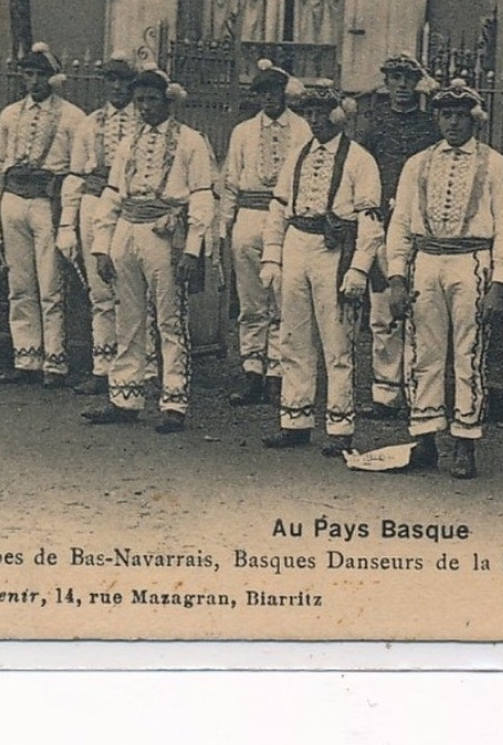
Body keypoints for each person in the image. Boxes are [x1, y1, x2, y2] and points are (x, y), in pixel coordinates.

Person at [384, 79, 503, 479]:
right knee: (422, 352)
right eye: (446, 115)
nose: (454, 124)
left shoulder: (496, 164)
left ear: (474, 119)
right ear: (437, 118)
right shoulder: (418, 163)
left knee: (469, 354)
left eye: (461, 116)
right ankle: (424, 437)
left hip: (471, 263)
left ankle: (465, 442)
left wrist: (499, 281)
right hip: (426, 261)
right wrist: (396, 277)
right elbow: (401, 222)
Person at [87, 61, 216, 433]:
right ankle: (124, 397)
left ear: (167, 101)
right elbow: (112, 194)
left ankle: (174, 401)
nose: (144, 107)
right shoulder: (129, 142)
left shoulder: (191, 141)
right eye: (139, 100)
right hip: (127, 230)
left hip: (165, 234)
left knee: (169, 319)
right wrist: (102, 246)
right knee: (127, 316)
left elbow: (202, 197)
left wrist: (193, 249)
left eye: (151, 100)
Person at [259, 80, 383, 457]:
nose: (314, 121)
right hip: (298, 243)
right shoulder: (297, 155)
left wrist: (359, 268)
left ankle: (340, 426)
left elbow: (370, 220)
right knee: (293, 336)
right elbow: (279, 209)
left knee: (337, 340)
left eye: (320, 113)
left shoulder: (360, 160)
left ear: (338, 115)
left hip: (335, 251)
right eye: (308, 113)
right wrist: (271, 256)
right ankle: (295, 420)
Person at [0, 42, 87, 388]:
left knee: (50, 283)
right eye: (28, 75)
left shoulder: (73, 117)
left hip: (47, 203)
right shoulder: (10, 114)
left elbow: (76, 172)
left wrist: (68, 216)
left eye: (41, 75)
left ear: (53, 78)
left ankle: (54, 361)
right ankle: (25, 357)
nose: (35, 82)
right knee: (19, 283)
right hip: (13, 199)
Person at [216, 58, 311, 408]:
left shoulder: (302, 129)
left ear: (284, 94)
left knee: (284, 298)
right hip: (248, 217)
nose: (268, 99)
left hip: (285, 218)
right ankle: (252, 370)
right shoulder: (242, 131)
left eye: (274, 92)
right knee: (252, 300)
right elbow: (229, 181)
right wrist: (224, 226)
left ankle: (278, 373)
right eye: (262, 93)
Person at [355, 51, 440, 420]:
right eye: (395, 79)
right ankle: (386, 393)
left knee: (421, 310)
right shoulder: (371, 126)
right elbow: (359, 173)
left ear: (417, 83)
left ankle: (419, 391)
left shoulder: (431, 127)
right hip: (382, 223)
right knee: (383, 311)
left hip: (422, 227)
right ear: (386, 82)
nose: (402, 86)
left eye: (408, 79)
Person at [59, 56, 141, 397]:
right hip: (94, 204)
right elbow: (76, 176)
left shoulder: (143, 122)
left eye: (124, 81)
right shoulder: (90, 124)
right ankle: (103, 368)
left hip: (132, 208)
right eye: (111, 80)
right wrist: (66, 224)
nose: (118, 87)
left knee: (133, 293)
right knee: (100, 291)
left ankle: (137, 370)